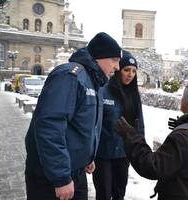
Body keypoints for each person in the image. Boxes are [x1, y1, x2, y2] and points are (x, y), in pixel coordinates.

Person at [25, 32, 121, 200]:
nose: (117, 67)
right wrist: (60, 178)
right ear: (100, 56)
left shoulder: (93, 82)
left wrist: (88, 156)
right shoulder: (69, 76)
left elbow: (82, 126)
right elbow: (50, 127)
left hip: (74, 171)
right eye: (115, 60)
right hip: (51, 177)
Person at [116, 80, 188, 200]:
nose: (181, 99)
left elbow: (152, 167)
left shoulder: (183, 138)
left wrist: (131, 137)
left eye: (184, 96)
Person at [93, 50, 145, 200]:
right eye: (126, 70)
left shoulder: (134, 95)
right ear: (118, 70)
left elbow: (139, 123)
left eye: (134, 71)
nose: (130, 74)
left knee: (119, 193)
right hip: (103, 153)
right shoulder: (103, 90)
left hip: (123, 153)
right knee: (103, 194)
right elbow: (94, 122)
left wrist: (141, 147)